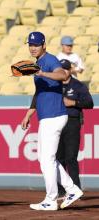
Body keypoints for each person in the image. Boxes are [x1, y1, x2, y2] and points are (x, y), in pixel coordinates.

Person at [21, 32, 83, 211]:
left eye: (36, 44)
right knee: (44, 158)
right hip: (47, 116)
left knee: (47, 159)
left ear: (44, 45)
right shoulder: (39, 63)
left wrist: (41, 72)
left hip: (54, 115)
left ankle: (51, 199)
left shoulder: (49, 60)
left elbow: (63, 75)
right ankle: (72, 190)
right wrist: (29, 114)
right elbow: (39, 92)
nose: (33, 47)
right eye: (30, 44)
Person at [57, 59, 94, 197]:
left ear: (70, 70)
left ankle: (76, 189)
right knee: (58, 158)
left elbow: (89, 103)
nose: (63, 72)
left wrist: (72, 102)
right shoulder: (55, 85)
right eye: (60, 69)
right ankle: (60, 191)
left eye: (65, 69)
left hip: (72, 122)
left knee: (71, 158)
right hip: (57, 122)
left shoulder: (78, 85)